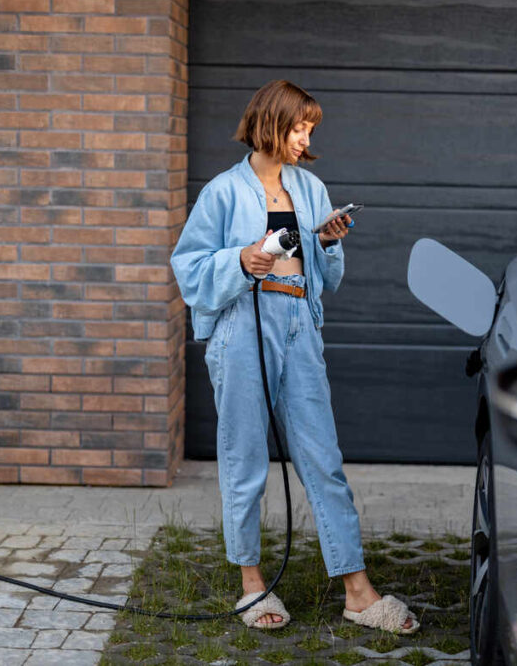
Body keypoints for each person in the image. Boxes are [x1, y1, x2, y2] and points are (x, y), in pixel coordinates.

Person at [170, 80, 419, 634]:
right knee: (245, 459)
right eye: (298, 126)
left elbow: (325, 279)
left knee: (322, 459)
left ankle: (358, 592)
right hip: (243, 326)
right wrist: (240, 260)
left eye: (310, 128)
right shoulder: (222, 193)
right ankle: (252, 586)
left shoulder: (309, 188)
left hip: (299, 327)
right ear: (269, 123)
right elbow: (188, 267)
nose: (305, 138)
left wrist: (328, 241)